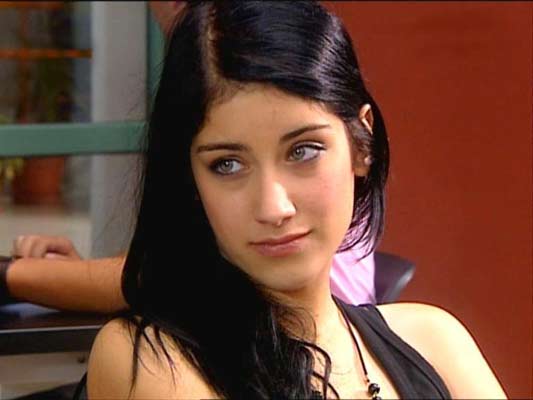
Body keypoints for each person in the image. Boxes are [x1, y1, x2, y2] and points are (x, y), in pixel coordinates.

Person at [82, 1, 507, 398]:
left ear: (362, 144)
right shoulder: (148, 360)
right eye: (227, 164)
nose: (274, 208)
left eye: (303, 151)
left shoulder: (434, 340)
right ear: (190, 178)